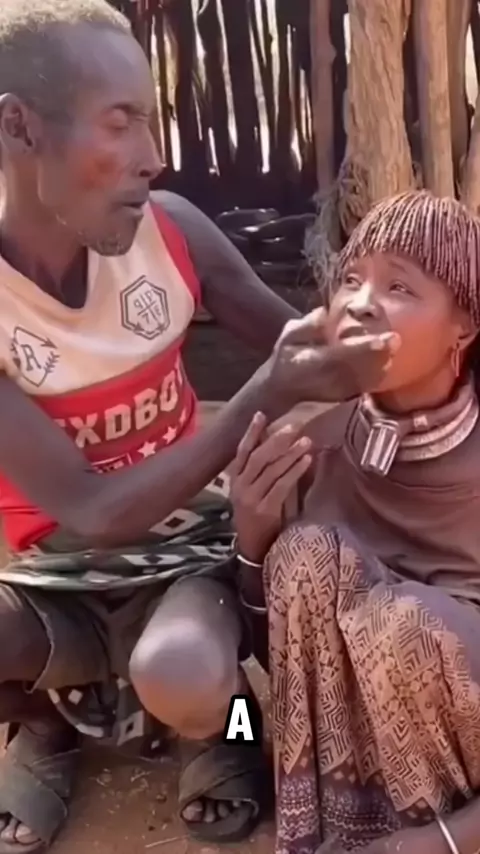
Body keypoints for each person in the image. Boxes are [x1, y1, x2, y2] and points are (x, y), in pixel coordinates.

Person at [0, 1, 402, 852]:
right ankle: (45, 725)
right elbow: (93, 510)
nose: (154, 155)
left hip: (185, 558)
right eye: (122, 123)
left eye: (152, 120)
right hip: (44, 579)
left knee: (187, 673)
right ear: (18, 127)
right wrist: (266, 391)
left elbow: (304, 346)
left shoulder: (173, 234)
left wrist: (390, 339)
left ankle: (233, 733)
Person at [231, 190, 480, 854]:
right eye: (350, 279)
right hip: (360, 761)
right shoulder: (309, 444)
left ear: (463, 327)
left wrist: (439, 843)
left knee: (403, 626)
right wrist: (253, 543)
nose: (362, 303)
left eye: (400, 287)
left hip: (464, 787)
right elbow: (274, 660)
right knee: (305, 554)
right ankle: (328, 831)